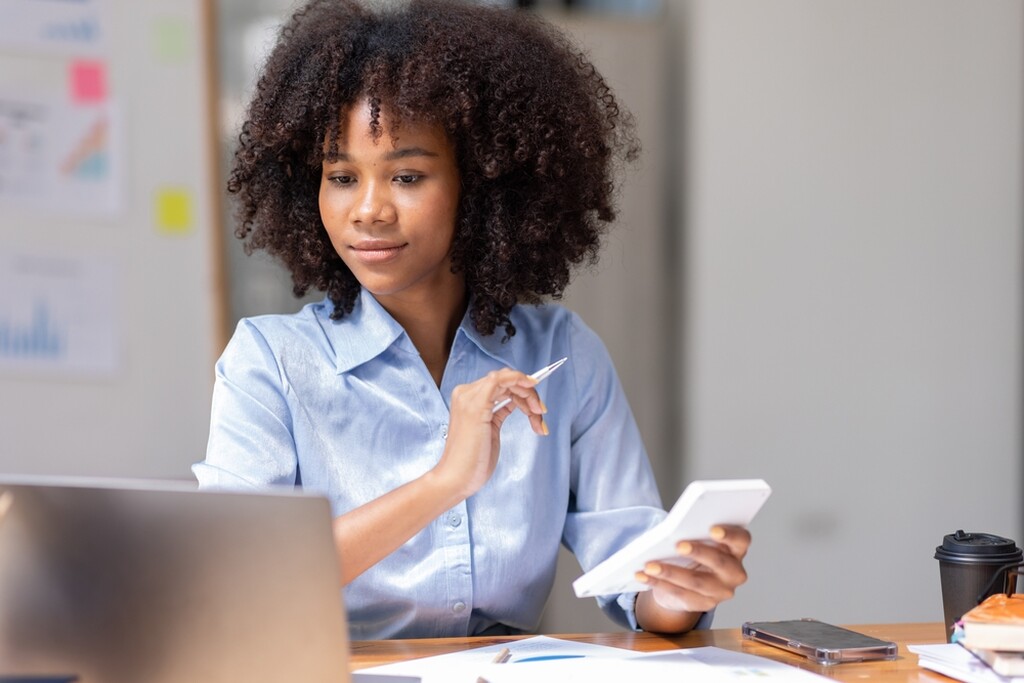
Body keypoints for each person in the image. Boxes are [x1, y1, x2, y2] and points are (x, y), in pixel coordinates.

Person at [193, 0, 751, 640]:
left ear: (483, 185)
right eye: (341, 176)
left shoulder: (564, 354)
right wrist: (446, 482)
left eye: (406, 175)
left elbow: (637, 582)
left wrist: (683, 588)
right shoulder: (269, 362)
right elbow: (237, 579)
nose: (368, 210)